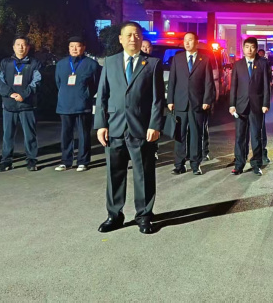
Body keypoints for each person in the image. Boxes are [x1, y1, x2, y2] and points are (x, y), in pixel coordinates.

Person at [95, 22, 164, 234]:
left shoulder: (152, 64)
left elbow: (158, 99)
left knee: (143, 174)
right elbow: (102, 95)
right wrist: (100, 125)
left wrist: (154, 125)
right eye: (128, 35)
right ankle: (114, 215)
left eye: (136, 35)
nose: (133, 38)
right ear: (120, 39)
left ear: (141, 38)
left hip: (141, 128)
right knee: (114, 174)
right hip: (114, 127)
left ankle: (144, 215)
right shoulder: (110, 62)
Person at [167, 32, 216, 175]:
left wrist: (207, 100)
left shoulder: (204, 59)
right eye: (185, 40)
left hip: (197, 103)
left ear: (197, 42)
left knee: (196, 134)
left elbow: (209, 82)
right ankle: (179, 165)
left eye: (190, 40)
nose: (187, 43)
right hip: (180, 102)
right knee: (179, 135)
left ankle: (195, 164)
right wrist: (170, 100)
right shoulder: (177, 59)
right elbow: (172, 81)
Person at [54, 36, 100, 172]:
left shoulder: (92, 64)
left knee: (84, 134)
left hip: (83, 105)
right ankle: (66, 161)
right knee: (66, 134)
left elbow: (96, 84)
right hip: (65, 104)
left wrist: (86, 94)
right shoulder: (61, 64)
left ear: (83, 47)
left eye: (78, 46)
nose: (74, 49)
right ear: (68, 48)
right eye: (71, 46)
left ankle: (83, 161)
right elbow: (58, 82)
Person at [0, 36, 42, 172]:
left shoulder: (35, 63)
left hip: (27, 105)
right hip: (9, 105)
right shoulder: (5, 63)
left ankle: (31, 160)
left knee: (30, 135)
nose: (21, 47)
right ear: (13, 47)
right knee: (8, 135)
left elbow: (37, 81)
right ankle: (6, 161)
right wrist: (11, 94)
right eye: (18, 45)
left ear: (28, 47)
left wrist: (24, 95)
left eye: (24, 45)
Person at [229, 37, 271, 176]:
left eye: (252, 47)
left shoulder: (262, 64)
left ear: (256, 49)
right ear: (243, 48)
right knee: (240, 137)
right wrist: (232, 104)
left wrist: (265, 103)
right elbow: (233, 86)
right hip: (240, 106)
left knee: (256, 137)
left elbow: (266, 85)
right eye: (247, 47)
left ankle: (256, 164)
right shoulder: (238, 65)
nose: (249, 50)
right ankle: (239, 164)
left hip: (257, 105)